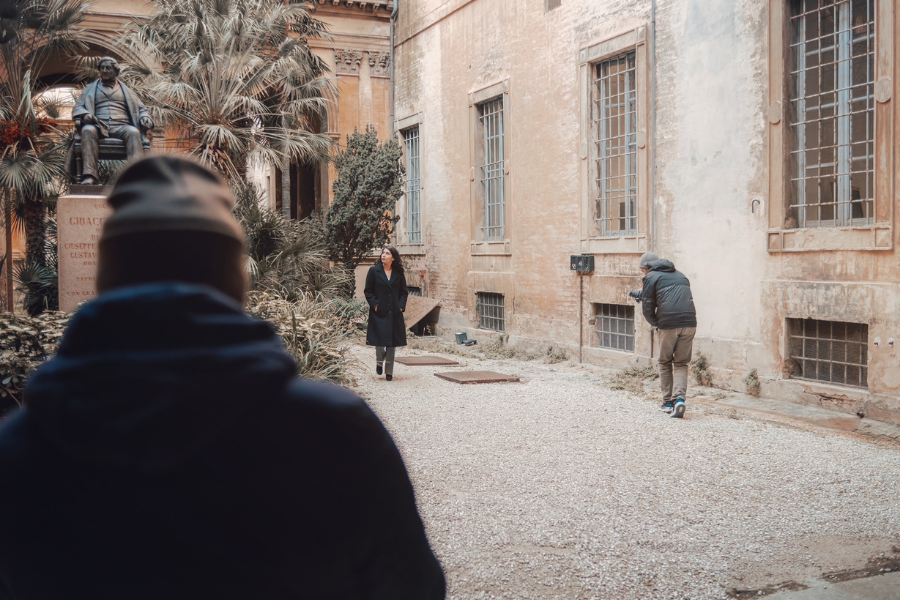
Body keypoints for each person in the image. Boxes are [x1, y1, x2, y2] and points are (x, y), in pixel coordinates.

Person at [0, 157, 445, 600]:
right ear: (235, 278)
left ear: (105, 276)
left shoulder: (19, 452)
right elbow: (414, 586)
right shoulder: (334, 431)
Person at [71, 57, 153, 185]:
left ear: (116, 71)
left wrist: (145, 117)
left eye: (108, 68)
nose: (104, 70)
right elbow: (78, 108)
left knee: (133, 132)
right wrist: (86, 115)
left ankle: (135, 178)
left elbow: (142, 109)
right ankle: (89, 176)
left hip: (122, 126)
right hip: (98, 126)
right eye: (102, 68)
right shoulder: (89, 89)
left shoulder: (128, 91)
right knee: (87, 129)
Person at [638, 251, 697, 419]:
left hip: (669, 324)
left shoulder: (651, 276)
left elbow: (648, 307)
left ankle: (667, 403)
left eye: (643, 270)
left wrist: (656, 323)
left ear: (648, 268)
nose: (644, 273)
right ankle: (679, 400)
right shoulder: (681, 275)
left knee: (664, 362)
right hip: (690, 323)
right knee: (681, 363)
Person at [364, 246, 409, 382]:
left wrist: (401, 307)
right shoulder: (373, 271)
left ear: (393, 258)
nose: (383, 255)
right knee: (379, 340)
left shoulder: (398, 273)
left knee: (391, 342)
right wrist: (375, 305)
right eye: (383, 253)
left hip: (394, 312)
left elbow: (404, 292)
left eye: (387, 253)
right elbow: (368, 291)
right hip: (379, 311)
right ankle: (379, 361)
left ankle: (389, 372)